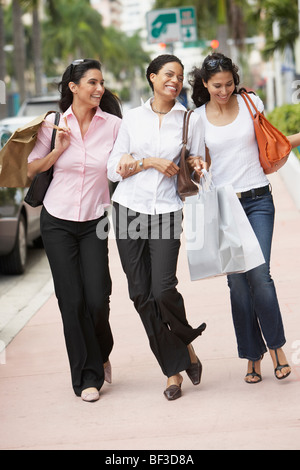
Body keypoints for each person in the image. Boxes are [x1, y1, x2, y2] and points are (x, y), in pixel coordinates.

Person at [189, 52, 299, 384]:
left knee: (260, 274)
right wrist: (198, 166)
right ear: (205, 84)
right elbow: (197, 161)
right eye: (217, 86)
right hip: (223, 207)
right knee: (237, 282)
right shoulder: (198, 119)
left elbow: (270, 140)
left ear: (236, 80)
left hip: (258, 199)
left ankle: (276, 347)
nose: (224, 91)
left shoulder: (251, 103)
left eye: (229, 84)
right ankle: (253, 356)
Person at [107, 54, 206, 400]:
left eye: (179, 77)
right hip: (129, 210)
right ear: (152, 77)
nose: (175, 81)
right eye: (168, 74)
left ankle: (184, 347)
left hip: (166, 210)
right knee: (141, 295)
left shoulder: (190, 120)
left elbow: (196, 168)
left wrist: (197, 163)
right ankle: (175, 368)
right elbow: (112, 168)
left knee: (163, 290)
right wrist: (147, 162)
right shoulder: (131, 119)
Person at [27, 59, 122, 401]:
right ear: (73, 87)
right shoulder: (53, 124)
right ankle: (86, 378)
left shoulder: (112, 125)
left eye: (102, 83)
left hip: (95, 220)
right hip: (57, 220)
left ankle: (102, 350)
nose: (100, 89)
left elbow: (120, 166)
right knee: (72, 300)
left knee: (98, 299)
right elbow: (31, 169)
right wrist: (56, 152)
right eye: (92, 83)